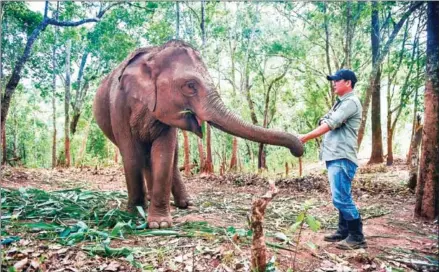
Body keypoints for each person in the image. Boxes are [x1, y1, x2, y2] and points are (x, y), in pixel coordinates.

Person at [299, 69, 367, 250]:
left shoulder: (351, 102)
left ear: (348, 83)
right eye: (333, 80)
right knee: (341, 195)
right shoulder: (340, 104)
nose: (334, 83)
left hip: (342, 156)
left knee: (341, 198)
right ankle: (343, 231)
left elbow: (328, 123)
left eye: (337, 80)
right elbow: (324, 120)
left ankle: (357, 236)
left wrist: (305, 137)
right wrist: (327, 121)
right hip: (335, 156)